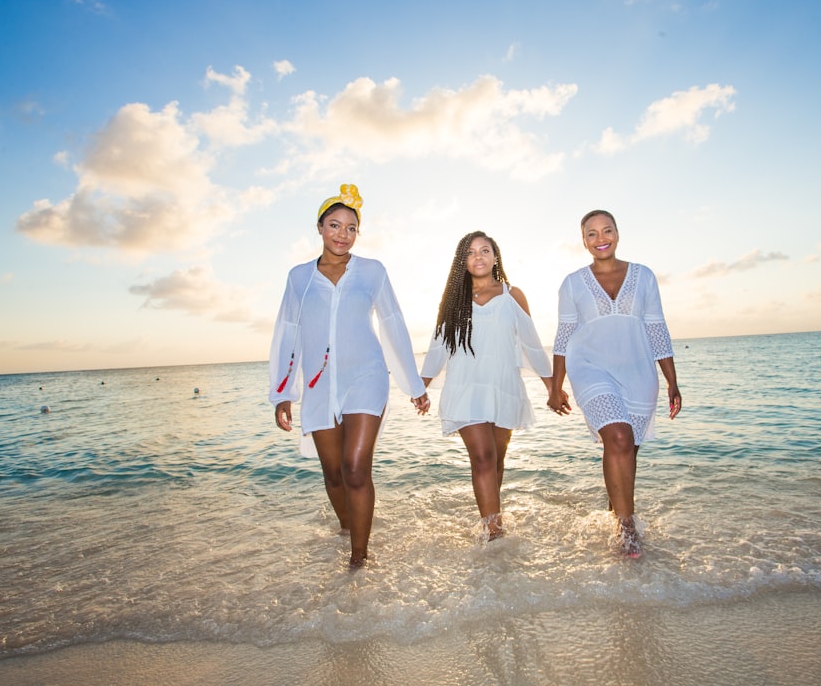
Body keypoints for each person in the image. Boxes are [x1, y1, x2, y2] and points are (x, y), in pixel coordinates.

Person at [269, 184, 430, 567]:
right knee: (335, 473)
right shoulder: (299, 278)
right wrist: (282, 393)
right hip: (318, 385)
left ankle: (359, 559)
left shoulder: (372, 272)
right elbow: (286, 333)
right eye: (335, 225)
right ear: (320, 228)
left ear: (358, 233)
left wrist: (413, 384)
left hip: (367, 377)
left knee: (357, 469)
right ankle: (347, 530)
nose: (343, 234)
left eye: (351, 227)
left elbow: (393, 324)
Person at [547, 210, 682, 558]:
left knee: (627, 450)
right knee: (618, 436)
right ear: (583, 241)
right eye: (591, 233)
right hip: (590, 366)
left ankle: (615, 509)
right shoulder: (573, 283)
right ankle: (627, 529)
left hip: (638, 371)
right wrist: (555, 385)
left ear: (618, 234)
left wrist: (672, 381)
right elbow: (564, 335)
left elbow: (656, 328)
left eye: (606, 230)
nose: (600, 238)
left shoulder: (644, 276)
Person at [420, 231, 568, 541]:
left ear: (495, 256)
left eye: (485, 250)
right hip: (465, 387)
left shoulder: (512, 295)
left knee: (497, 460)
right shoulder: (452, 300)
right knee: (484, 457)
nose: (479, 256)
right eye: (471, 252)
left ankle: (491, 516)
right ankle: (493, 534)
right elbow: (438, 347)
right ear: (462, 261)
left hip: (504, 386)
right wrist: (421, 385)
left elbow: (531, 343)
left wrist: (552, 387)